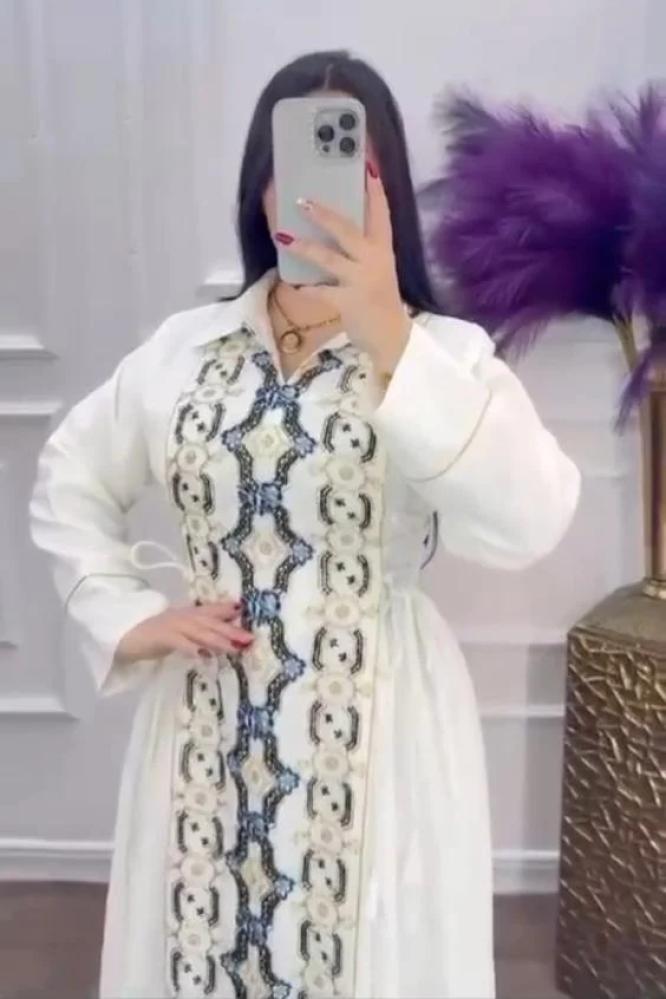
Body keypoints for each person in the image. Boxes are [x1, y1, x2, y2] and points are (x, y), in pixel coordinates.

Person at [29, 50, 580, 999]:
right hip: (206, 723)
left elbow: (532, 516)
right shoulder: (187, 350)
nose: (318, 190)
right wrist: (126, 613)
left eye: (349, 163)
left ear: (385, 189)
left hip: (380, 725)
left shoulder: (442, 355)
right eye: (295, 160)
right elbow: (69, 474)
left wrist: (388, 334)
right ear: (261, 183)